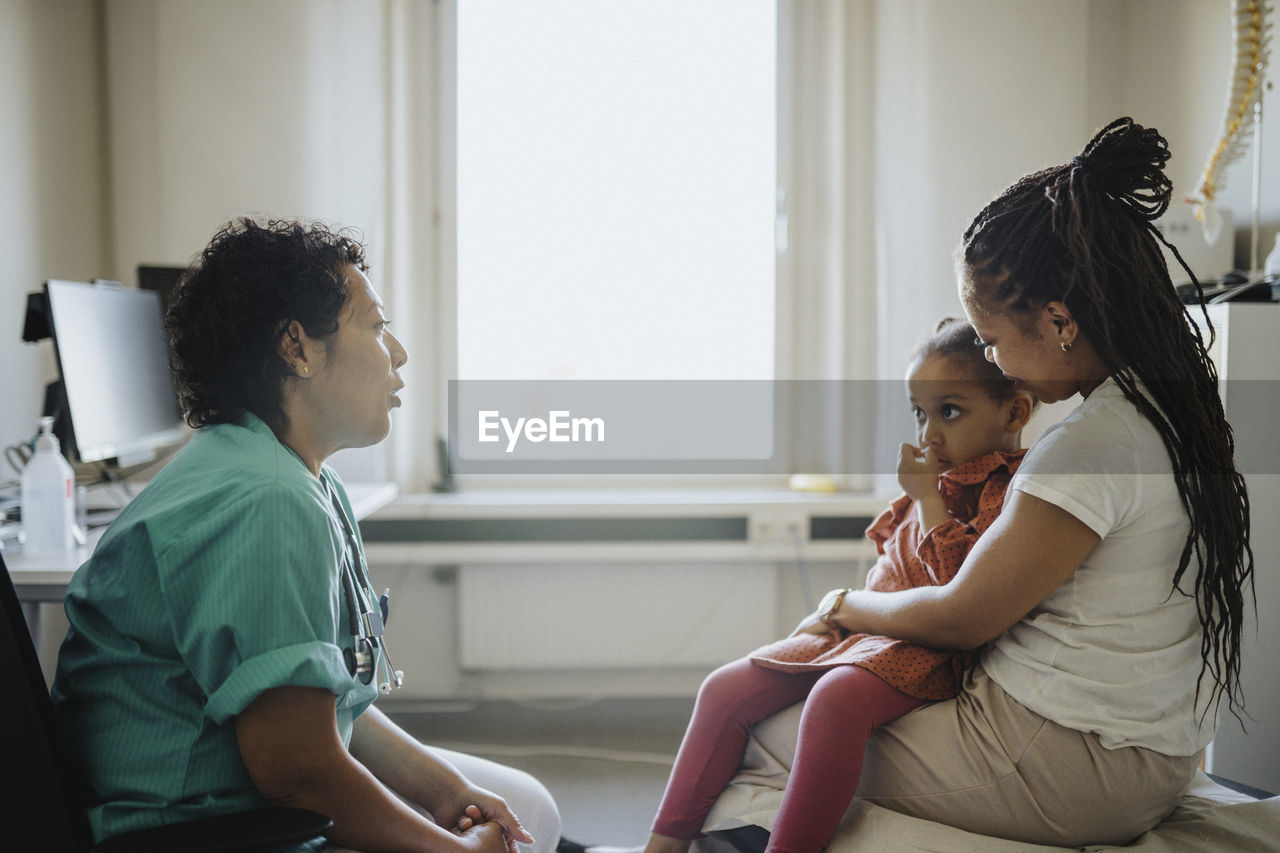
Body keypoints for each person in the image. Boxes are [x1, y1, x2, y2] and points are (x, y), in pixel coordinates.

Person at [801, 117, 1252, 847]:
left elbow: (960, 616)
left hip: (1070, 764)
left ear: (1059, 320)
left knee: (780, 731)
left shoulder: (1089, 445)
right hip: (1153, 754)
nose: (994, 358)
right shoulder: (1166, 413)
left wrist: (843, 603)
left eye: (992, 338)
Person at [51, 218, 561, 853]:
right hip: (198, 831)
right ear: (297, 347)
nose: (397, 352)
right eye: (376, 327)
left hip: (249, 801)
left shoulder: (290, 473)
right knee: (522, 834)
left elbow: (325, 698)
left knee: (529, 807)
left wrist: (444, 790)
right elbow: (299, 775)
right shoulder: (265, 501)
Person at [640, 318, 1035, 853]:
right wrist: (833, 618)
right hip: (862, 629)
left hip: (926, 649)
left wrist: (928, 502)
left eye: (950, 411)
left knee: (836, 699)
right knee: (725, 688)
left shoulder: (1010, 492)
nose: (929, 435)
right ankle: (662, 847)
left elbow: (959, 595)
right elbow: (887, 575)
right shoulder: (934, 480)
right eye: (921, 414)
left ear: (1014, 413)